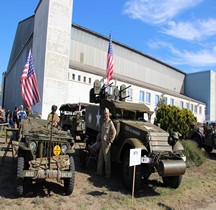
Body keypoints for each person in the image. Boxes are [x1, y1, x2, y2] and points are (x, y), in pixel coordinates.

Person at [96, 108, 116, 178]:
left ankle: (108, 174)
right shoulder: (104, 122)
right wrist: (99, 136)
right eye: (104, 113)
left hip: (107, 144)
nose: (105, 115)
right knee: (100, 158)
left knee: (107, 159)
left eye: (106, 113)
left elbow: (114, 132)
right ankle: (99, 172)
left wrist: (111, 140)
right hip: (102, 142)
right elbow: (102, 131)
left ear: (108, 114)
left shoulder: (110, 122)